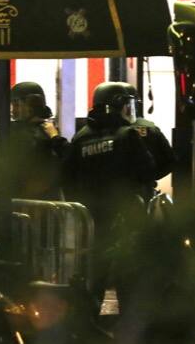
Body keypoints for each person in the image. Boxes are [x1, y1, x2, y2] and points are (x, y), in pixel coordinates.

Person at [62, 82, 158, 314]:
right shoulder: (128, 135)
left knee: (94, 269)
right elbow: (149, 169)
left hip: (91, 216)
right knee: (127, 269)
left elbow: (66, 176)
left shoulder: (81, 137)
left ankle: (90, 319)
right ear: (116, 105)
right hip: (124, 215)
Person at [0, 82, 69, 201]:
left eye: (16, 105)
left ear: (32, 105)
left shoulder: (39, 134)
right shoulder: (49, 132)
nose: (13, 110)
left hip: (33, 203)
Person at [120, 82, 177, 203]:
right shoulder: (150, 128)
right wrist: (150, 177)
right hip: (144, 192)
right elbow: (170, 160)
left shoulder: (93, 132)